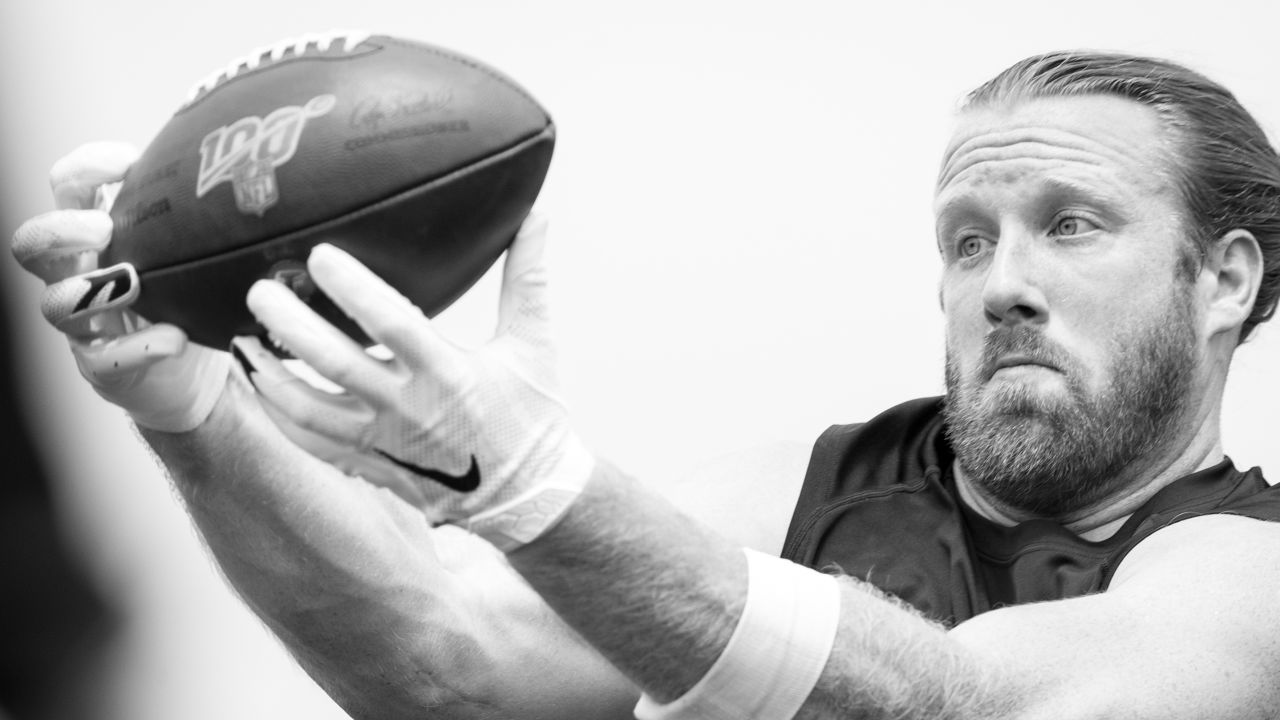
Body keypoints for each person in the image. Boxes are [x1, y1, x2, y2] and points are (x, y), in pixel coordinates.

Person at [13, 48, 1280, 719]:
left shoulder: (1246, 578)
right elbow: (443, 664)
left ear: (1222, 281)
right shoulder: (819, 488)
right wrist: (194, 410)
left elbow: (973, 709)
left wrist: (534, 486)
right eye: (965, 236)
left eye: (1068, 225)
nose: (997, 282)